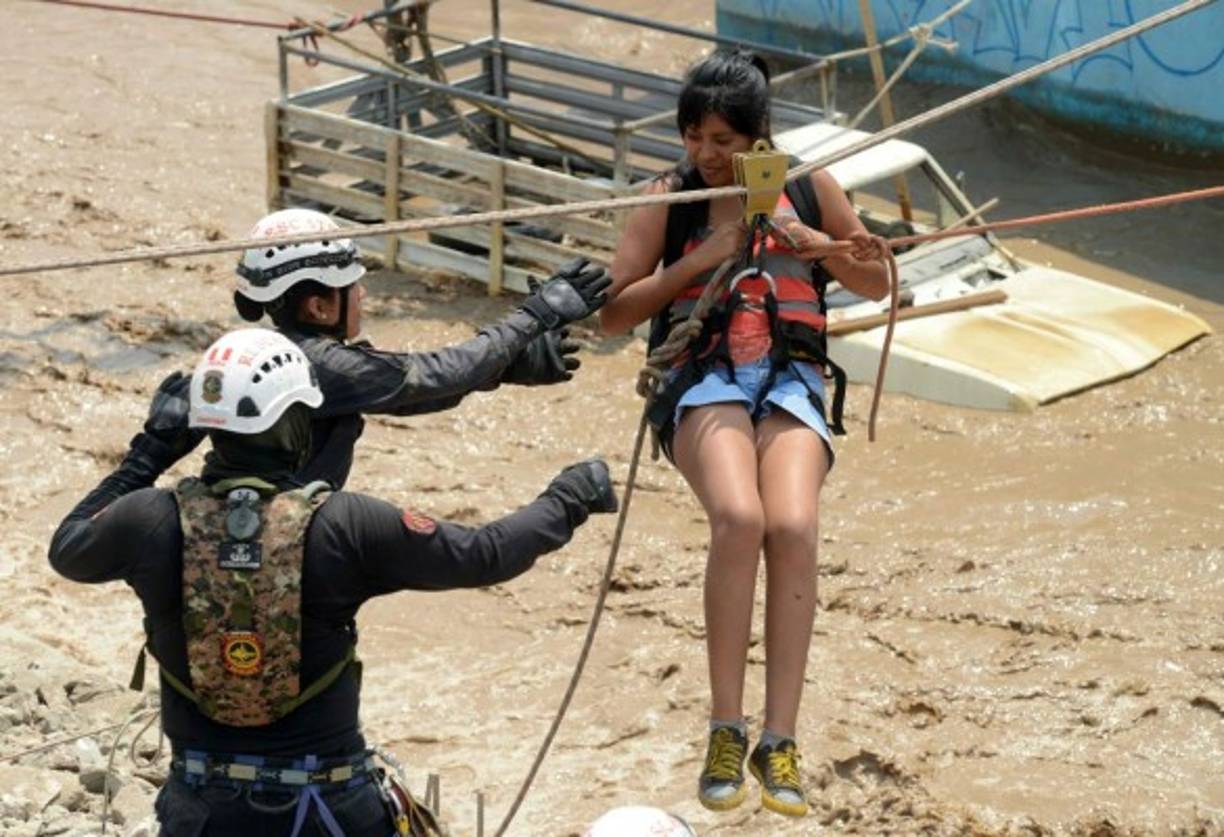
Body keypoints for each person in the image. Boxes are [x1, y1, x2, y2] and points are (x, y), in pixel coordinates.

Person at [48, 328, 619, 836]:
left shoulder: (147, 519)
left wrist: (151, 452)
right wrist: (568, 498)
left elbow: (68, 546)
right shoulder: (344, 524)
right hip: (328, 807)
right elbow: (485, 554)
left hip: (201, 811)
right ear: (294, 422)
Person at [599, 51, 889, 818]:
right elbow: (614, 311)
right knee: (740, 517)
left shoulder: (807, 186)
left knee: (792, 524)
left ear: (760, 135)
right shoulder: (670, 198)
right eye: (694, 135)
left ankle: (779, 737)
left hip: (790, 375)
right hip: (703, 377)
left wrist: (816, 244)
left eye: (723, 139)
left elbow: (875, 282)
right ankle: (725, 725)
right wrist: (699, 258)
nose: (706, 153)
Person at [135, 206, 611, 493]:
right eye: (352, 287)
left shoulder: (278, 354)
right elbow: (434, 375)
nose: (362, 296)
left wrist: (501, 368)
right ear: (321, 306)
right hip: (292, 528)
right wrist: (535, 315)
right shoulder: (321, 363)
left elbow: (400, 391)